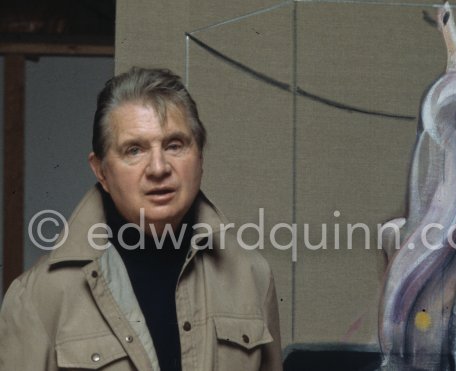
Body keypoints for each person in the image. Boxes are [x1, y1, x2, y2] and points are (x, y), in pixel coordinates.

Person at [0, 67, 283, 371]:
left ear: (199, 157)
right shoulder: (39, 295)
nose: (159, 167)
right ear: (101, 171)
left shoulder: (251, 277)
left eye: (175, 145)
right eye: (134, 150)